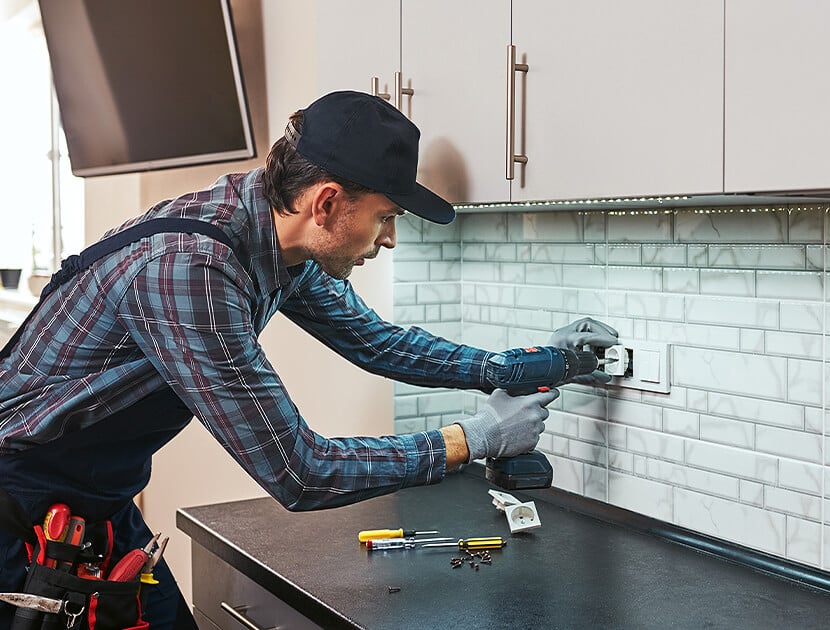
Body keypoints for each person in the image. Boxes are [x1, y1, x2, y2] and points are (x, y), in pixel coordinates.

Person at [0, 91, 619, 629]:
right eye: (385, 217)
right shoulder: (192, 270)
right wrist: (476, 438)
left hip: (93, 510)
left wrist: (519, 367)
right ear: (326, 203)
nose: (389, 239)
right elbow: (301, 471)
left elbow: (377, 343)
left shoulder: (270, 236)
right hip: (16, 514)